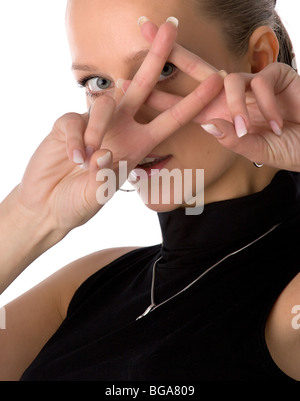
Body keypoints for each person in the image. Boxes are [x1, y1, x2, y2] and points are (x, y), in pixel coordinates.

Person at [0, 0, 300, 381]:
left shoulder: (290, 301)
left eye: (162, 69)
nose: (128, 116)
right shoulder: (88, 285)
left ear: (258, 61)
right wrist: (28, 216)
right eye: (99, 83)